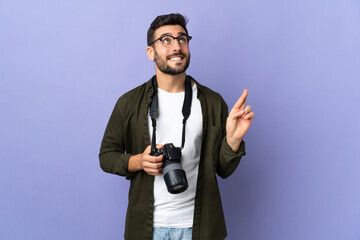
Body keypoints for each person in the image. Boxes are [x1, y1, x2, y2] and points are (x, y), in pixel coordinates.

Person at [99, 13, 254, 240]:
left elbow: (224, 170)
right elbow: (106, 156)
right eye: (166, 40)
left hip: (201, 228)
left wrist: (233, 140)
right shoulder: (129, 102)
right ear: (150, 52)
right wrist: (138, 161)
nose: (177, 46)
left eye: (182, 39)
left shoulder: (212, 102)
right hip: (146, 229)